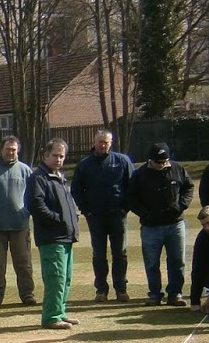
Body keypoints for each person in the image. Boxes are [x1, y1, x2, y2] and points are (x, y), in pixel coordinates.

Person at [127, 142, 195, 306]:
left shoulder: (178, 169)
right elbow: (130, 198)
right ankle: (155, 294)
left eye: (164, 161)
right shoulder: (140, 174)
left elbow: (189, 187)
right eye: (158, 162)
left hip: (175, 224)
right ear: (150, 160)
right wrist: (145, 214)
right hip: (151, 227)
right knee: (151, 263)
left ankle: (175, 293)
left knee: (177, 261)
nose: (162, 164)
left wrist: (181, 206)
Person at [70, 130, 133, 301]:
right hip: (95, 217)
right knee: (99, 254)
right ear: (94, 142)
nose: (103, 145)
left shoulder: (121, 161)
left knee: (120, 253)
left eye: (106, 142)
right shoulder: (84, 165)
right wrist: (86, 210)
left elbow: (132, 185)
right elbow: (76, 190)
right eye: (100, 142)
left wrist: (124, 208)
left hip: (117, 215)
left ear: (111, 143)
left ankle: (121, 289)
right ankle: (101, 290)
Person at [0, 135, 38, 307]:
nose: (10, 152)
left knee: (24, 264)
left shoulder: (26, 171)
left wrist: (26, 213)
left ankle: (27, 294)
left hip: (20, 226)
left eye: (13, 149)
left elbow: (34, 197)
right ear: (1, 149)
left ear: (18, 150)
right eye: (7, 149)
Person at [27, 138, 80, 330]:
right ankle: (51, 316)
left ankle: (60, 311)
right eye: (55, 155)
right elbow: (35, 205)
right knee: (55, 277)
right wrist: (57, 219)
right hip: (51, 237)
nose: (58, 159)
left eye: (62, 156)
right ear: (45, 155)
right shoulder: (38, 178)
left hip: (65, 236)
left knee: (65, 278)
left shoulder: (59, 176)